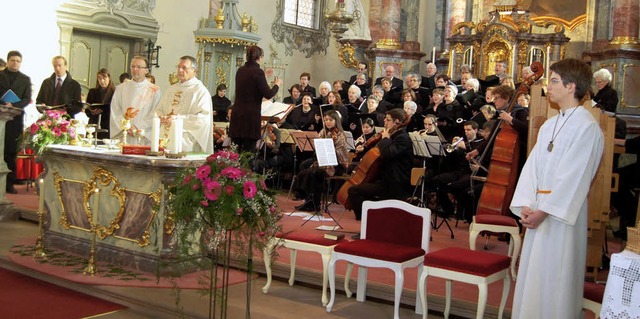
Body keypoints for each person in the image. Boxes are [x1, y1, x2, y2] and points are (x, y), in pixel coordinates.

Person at [509, 58, 604, 319]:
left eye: (553, 81)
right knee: (534, 278)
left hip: (561, 218)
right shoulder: (550, 125)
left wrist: (544, 211)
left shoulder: (587, 128)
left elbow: (575, 177)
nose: (547, 86)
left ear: (571, 86)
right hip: (537, 212)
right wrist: (528, 204)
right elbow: (532, 168)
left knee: (556, 279)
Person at [347, 108, 413, 221]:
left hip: (394, 183)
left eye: (387, 120)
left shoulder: (403, 138)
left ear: (396, 121)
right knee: (355, 189)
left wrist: (385, 139)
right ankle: (370, 221)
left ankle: (367, 222)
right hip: (383, 179)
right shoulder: (392, 135)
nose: (384, 122)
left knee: (354, 191)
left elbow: (387, 154)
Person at [292, 110, 349, 211]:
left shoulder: (341, 135)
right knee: (306, 167)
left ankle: (315, 203)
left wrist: (331, 146)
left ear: (336, 121)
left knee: (314, 172)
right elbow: (317, 147)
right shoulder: (323, 132)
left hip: (335, 164)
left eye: (330, 120)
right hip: (322, 160)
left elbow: (341, 155)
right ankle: (308, 200)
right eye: (326, 120)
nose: (327, 122)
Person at [155, 55, 213, 153]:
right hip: (164, 136)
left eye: (184, 68)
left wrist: (177, 119)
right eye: (178, 67)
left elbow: (203, 119)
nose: (180, 70)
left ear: (194, 71)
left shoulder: (200, 91)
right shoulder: (171, 89)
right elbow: (159, 109)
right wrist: (160, 116)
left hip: (184, 139)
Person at [229, 45, 281, 153]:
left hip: (237, 116)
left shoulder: (240, 70)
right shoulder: (258, 72)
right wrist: (277, 85)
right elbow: (268, 94)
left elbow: (250, 85)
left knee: (236, 152)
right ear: (259, 57)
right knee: (248, 154)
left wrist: (264, 75)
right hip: (250, 118)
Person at [0, 51, 32, 194]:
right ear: (7, 61)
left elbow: (27, 98)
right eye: (12, 60)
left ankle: (9, 183)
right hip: (0, 116)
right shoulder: (0, 76)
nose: (15, 63)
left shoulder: (25, 79)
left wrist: (14, 105)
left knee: (12, 150)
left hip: (15, 118)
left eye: (18, 61)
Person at [109, 56, 162, 142]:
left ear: (146, 70)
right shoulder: (121, 88)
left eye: (139, 67)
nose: (135, 69)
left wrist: (137, 127)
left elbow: (156, 113)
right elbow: (115, 110)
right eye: (133, 67)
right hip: (124, 134)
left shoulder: (154, 90)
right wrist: (126, 126)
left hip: (144, 136)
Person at [85, 68, 115, 139]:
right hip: (94, 122)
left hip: (107, 123)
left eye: (104, 78)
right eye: (99, 78)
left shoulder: (114, 92)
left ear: (109, 78)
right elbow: (87, 108)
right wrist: (91, 111)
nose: (102, 81)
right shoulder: (92, 92)